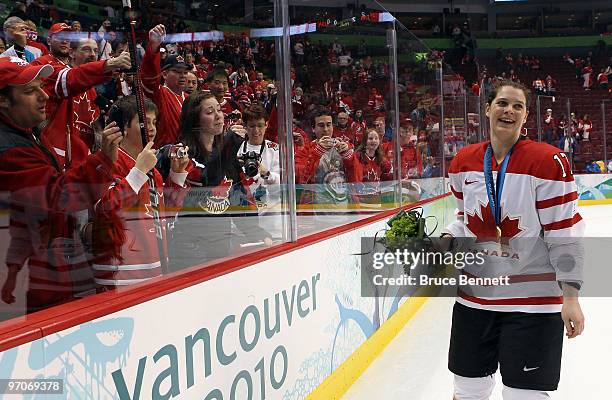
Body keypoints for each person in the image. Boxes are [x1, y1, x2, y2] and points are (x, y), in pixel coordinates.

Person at [442, 80, 584, 400]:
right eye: (503, 103)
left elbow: (565, 234)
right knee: (468, 389)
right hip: (474, 298)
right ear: (488, 109)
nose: (509, 110)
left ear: (525, 117)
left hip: (533, 302)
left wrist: (571, 296)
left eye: (518, 106)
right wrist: (447, 239)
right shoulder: (463, 162)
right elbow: (466, 222)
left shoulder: (548, 162)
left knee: (525, 394)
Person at [0, 57, 121, 312]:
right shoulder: (9, 150)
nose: (43, 96)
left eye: (41, 86)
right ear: (3, 100)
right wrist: (103, 162)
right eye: (30, 91)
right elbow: (59, 197)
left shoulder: (24, 135)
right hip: (26, 291)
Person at [159, 92, 272, 270]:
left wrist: (255, 232)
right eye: (210, 112)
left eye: (219, 109)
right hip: (187, 250)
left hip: (221, 245)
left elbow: (238, 198)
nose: (219, 115)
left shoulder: (226, 154)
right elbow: (204, 178)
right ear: (194, 119)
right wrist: (228, 146)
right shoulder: (179, 154)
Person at [90, 96, 189, 290]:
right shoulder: (106, 163)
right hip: (120, 274)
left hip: (154, 270)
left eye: (154, 122)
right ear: (123, 128)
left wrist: (177, 177)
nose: (151, 128)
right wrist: (138, 172)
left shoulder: (154, 171)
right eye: (144, 123)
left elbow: (164, 216)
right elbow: (105, 210)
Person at [236, 104, 281, 240]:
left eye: (260, 125)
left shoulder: (275, 149)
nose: (256, 131)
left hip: (272, 220)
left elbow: (282, 183)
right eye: (252, 126)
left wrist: (266, 173)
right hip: (244, 219)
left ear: (266, 125)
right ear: (245, 126)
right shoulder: (236, 149)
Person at [141, 24, 190, 147]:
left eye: (185, 72)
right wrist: (153, 47)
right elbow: (149, 77)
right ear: (164, 74)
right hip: (164, 159)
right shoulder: (160, 94)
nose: (183, 76)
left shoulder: (190, 98)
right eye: (178, 72)